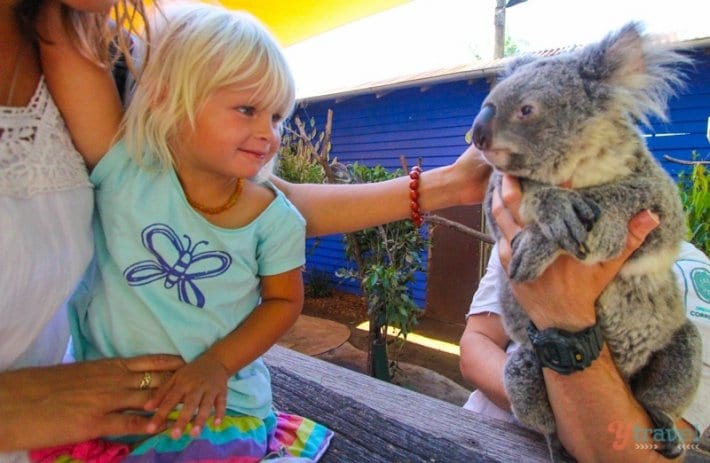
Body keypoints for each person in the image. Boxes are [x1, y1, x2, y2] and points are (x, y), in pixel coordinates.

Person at [33, 2, 340, 460]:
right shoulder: (125, 173)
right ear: (167, 97)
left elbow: (284, 301)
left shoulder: (274, 219)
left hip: (217, 406)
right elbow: (59, 36)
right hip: (112, 404)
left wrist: (217, 365)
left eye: (276, 117)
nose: (269, 133)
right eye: (247, 109)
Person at [460, 174, 708, 462]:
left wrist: (567, 321)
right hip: (475, 439)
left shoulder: (690, 273)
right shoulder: (525, 234)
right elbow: (475, 345)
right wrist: (552, 409)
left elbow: (658, 450)